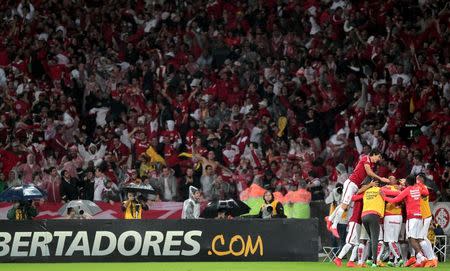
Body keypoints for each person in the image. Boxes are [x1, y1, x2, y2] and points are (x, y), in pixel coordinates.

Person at [326, 149, 389, 238]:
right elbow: (369, 172)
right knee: (344, 205)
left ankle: (330, 218)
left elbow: (362, 184)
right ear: (373, 154)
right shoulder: (365, 158)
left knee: (344, 205)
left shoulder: (371, 164)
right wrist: (381, 178)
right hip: (351, 183)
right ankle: (334, 226)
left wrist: (369, 184)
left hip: (355, 186)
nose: (378, 159)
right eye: (378, 157)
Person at [382, 175, 429, 267]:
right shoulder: (418, 188)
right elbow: (426, 193)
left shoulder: (407, 190)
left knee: (411, 239)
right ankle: (419, 261)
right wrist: (420, 184)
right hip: (419, 217)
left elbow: (396, 199)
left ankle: (422, 257)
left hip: (411, 217)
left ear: (407, 182)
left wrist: (384, 198)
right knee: (416, 238)